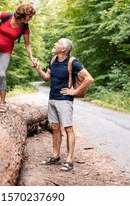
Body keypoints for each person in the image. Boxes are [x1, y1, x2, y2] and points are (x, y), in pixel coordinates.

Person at [32, 38, 94, 171]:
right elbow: (46, 78)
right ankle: (55, 156)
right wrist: (38, 68)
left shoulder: (72, 62)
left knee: (68, 129)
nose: (55, 44)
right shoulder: (53, 60)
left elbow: (89, 79)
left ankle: (69, 161)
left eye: (58, 43)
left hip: (65, 100)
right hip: (52, 98)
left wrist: (75, 91)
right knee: (54, 127)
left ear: (64, 49)